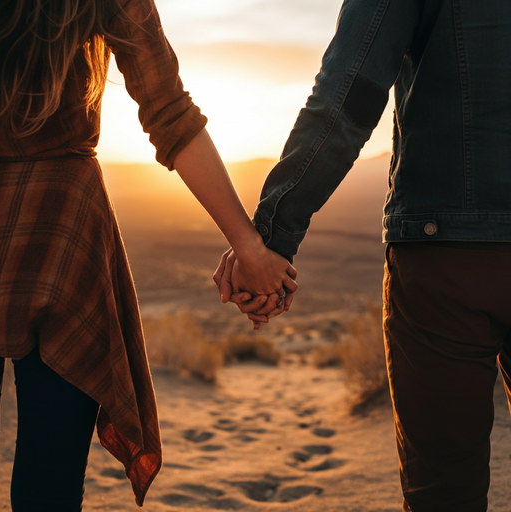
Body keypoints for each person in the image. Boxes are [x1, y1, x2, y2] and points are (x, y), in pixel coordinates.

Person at [0, 0, 297, 510]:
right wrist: (249, 247)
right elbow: (169, 111)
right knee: (48, 485)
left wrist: (248, 245)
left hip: (63, 228)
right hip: (63, 230)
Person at [215, 0, 511, 510]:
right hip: (446, 260)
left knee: (444, 489)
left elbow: (348, 92)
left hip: (447, 262)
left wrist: (270, 241)